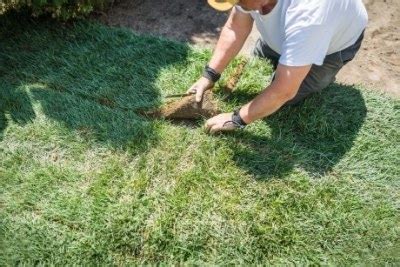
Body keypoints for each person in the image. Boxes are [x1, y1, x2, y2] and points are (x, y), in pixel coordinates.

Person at [187, 0, 368, 133]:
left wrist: (236, 119)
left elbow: (284, 91)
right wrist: (209, 75)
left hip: (334, 46)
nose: (239, 4)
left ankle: (310, 63)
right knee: (258, 70)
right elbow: (236, 27)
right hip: (292, 32)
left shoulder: (309, 14)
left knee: (287, 98)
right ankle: (289, 51)